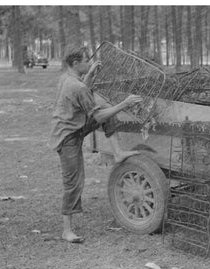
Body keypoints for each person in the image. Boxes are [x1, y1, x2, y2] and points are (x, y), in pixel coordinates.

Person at [50, 46, 142, 243]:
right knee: (73, 182)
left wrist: (90, 74)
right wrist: (125, 104)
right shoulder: (77, 87)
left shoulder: (68, 78)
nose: (89, 63)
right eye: (87, 61)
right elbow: (97, 114)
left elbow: (83, 90)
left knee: (107, 108)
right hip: (67, 137)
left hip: (76, 127)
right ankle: (67, 230)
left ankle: (117, 152)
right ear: (76, 63)